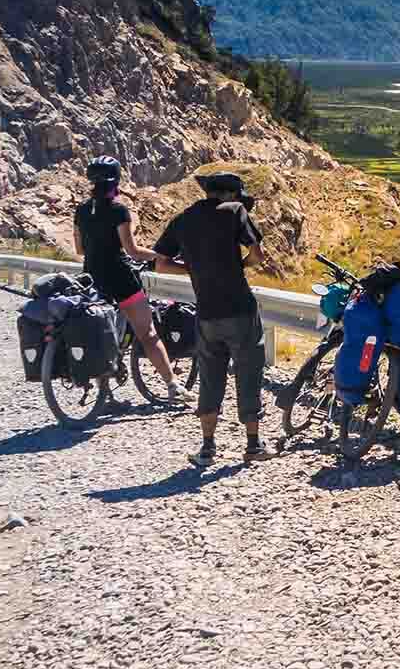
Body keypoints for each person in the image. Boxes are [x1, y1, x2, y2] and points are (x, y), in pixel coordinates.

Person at [153, 171, 270, 466]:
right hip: (240, 309)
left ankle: (207, 448)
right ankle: (253, 445)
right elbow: (257, 255)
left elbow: (162, 264)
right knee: (248, 371)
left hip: (206, 312)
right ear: (230, 194)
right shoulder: (235, 210)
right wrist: (237, 266)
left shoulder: (183, 219)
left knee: (210, 376)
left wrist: (194, 269)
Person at [72, 156, 190, 408]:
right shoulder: (118, 210)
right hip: (120, 277)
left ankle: (105, 394)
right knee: (148, 333)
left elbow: (80, 249)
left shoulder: (81, 210)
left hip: (91, 278)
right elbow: (133, 251)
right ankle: (173, 386)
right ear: (116, 180)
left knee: (103, 333)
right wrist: (159, 255)